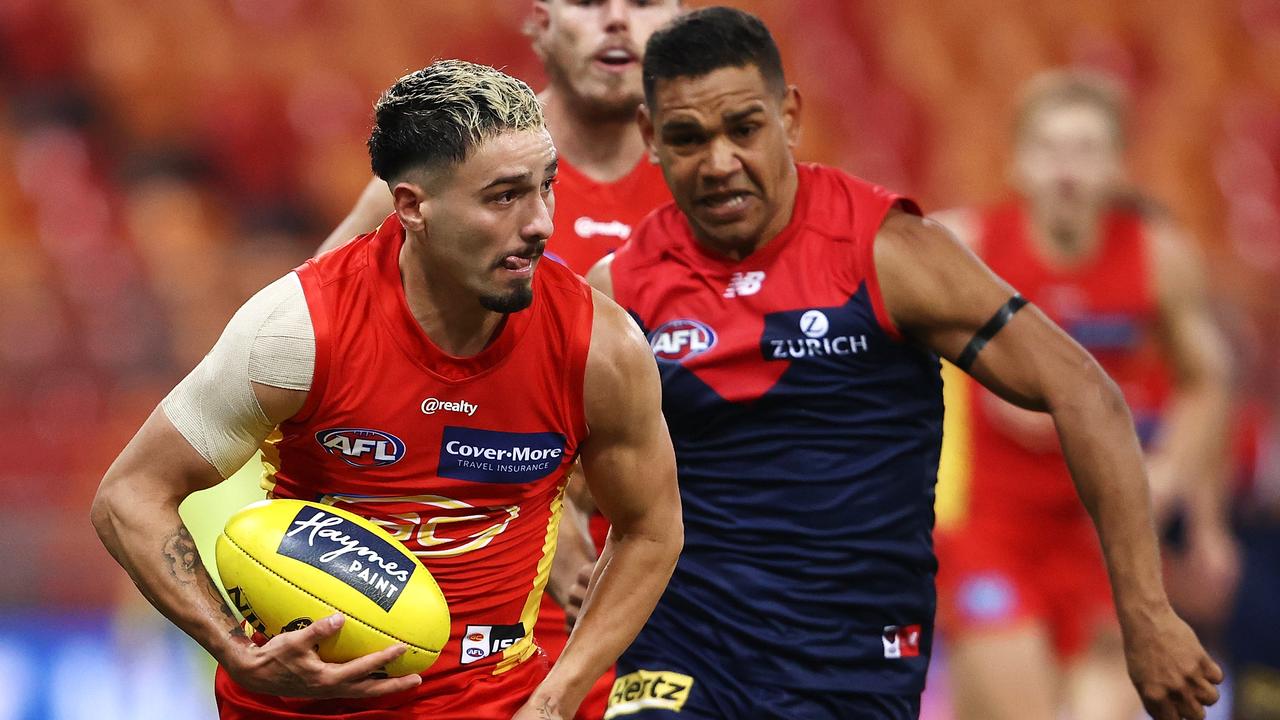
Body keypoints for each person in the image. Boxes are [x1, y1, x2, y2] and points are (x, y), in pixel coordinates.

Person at [587, 7, 1222, 719]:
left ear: (789, 117)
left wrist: (1151, 606)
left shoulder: (892, 253)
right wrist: (567, 570)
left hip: (855, 656)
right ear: (650, 138)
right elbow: (564, 454)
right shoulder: (621, 288)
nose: (720, 161)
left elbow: (1091, 391)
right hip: (695, 647)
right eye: (687, 137)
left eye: (744, 128)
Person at [90, 60, 683, 720]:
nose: (541, 222)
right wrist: (233, 648)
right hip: (296, 707)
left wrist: (555, 699)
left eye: (547, 188)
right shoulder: (298, 330)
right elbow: (129, 495)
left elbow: (651, 531)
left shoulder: (600, 345)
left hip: (495, 702)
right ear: (412, 207)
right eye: (503, 197)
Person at [312, 7, 681, 716]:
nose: (616, 20)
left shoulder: (713, 181)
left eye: (642, 0)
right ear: (538, 21)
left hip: (680, 575)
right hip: (501, 604)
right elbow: (329, 343)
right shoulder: (464, 163)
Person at [930, 71, 1237, 720]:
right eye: (1048, 149)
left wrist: (1179, 479)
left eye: (1086, 151)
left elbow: (1206, 377)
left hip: (1105, 534)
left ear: (1118, 167)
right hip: (992, 529)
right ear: (1016, 160)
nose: (1066, 171)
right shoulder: (967, 246)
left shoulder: (1160, 258)